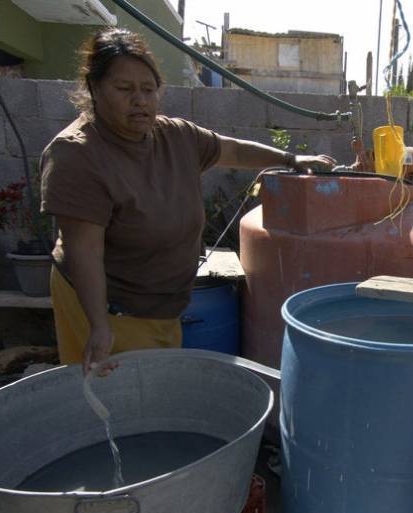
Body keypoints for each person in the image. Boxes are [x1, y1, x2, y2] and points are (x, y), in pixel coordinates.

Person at [41, 28, 335, 373]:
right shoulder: (78, 155)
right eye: (124, 89)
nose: (140, 100)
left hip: (163, 304)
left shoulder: (175, 136)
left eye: (148, 90)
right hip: (106, 306)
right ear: (94, 89)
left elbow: (232, 149)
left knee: (157, 392)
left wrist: (289, 159)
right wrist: (98, 327)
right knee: (115, 404)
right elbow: (85, 251)